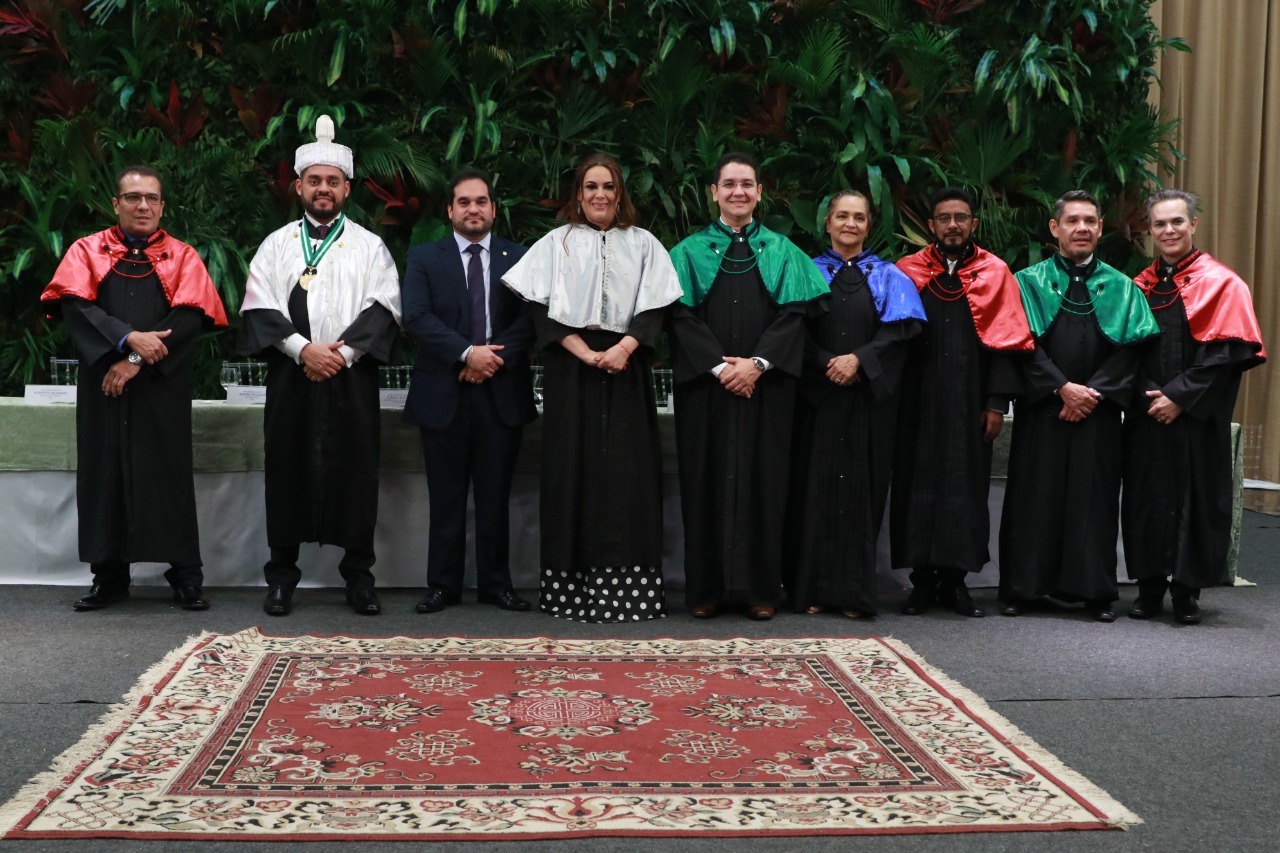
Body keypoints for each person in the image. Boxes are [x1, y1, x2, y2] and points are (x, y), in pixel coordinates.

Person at [503, 152, 683, 622]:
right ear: (577, 195)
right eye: (590, 187)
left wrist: (624, 348)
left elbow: (654, 309)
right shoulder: (554, 243)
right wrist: (583, 352)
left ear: (619, 193)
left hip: (628, 368)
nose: (599, 195)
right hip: (570, 369)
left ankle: (631, 593)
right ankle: (569, 591)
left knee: (630, 473)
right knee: (571, 470)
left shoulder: (644, 244)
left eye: (607, 187)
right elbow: (540, 311)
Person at [40, 165, 228, 611]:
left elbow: (188, 320)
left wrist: (135, 360)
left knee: (168, 475)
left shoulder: (183, 256)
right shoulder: (87, 251)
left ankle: (186, 576)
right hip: (104, 384)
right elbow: (77, 307)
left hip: (159, 388)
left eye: (151, 198)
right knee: (104, 474)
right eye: (133, 197)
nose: (143, 205)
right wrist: (126, 341)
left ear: (162, 206)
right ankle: (109, 578)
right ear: (116, 204)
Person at [240, 116, 402, 616]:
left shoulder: (370, 246)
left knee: (355, 471)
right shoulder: (277, 243)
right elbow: (258, 304)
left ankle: (358, 577)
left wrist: (341, 355)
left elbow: (385, 306)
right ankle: (282, 578)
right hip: (293, 376)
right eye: (315, 181)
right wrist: (301, 350)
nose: (323, 189)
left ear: (347, 188)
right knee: (286, 468)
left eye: (333, 181)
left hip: (351, 379)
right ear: (299, 186)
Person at [668, 151, 829, 620]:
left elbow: (794, 315)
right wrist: (720, 369)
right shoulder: (687, 252)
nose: (739, 191)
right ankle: (706, 590)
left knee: (766, 481)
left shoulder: (783, 251)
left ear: (760, 192)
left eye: (748, 184)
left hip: (767, 387)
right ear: (713, 192)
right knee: (705, 480)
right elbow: (680, 315)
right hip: (707, 389)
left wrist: (757, 364)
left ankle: (762, 590)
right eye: (729, 184)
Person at [999, 190, 1158, 621]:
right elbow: (1020, 344)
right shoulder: (1028, 282)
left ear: (1101, 228)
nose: (1082, 228)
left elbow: (1133, 352)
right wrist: (1060, 388)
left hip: (1098, 414)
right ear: (1055, 228)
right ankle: (1024, 589)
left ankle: (1093, 593)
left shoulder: (1123, 288)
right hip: (1043, 412)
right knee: (1035, 499)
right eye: (1072, 220)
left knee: (1094, 501)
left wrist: (1093, 393)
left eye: (1090, 220)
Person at [1123, 189, 1265, 624]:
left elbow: (1225, 356)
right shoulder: (1137, 286)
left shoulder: (1221, 283)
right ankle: (1147, 589)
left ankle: (1187, 592)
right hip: (1149, 414)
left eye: (1177, 222)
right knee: (1146, 498)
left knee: (1196, 500)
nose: (1169, 230)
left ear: (1193, 225)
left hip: (1196, 417)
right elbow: (1124, 352)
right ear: (1149, 229)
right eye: (1160, 223)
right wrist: (1151, 395)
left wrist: (1179, 398)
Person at [892, 187, 1033, 618]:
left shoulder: (996, 273)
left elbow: (1006, 345)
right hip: (916, 403)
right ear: (931, 225)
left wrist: (995, 403)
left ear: (974, 224)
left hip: (971, 403)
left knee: (964, 488)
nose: (953, 224)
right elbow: (892, 342)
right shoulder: (907, 271)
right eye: (943, 217)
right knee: (915, 487)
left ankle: (955, 584)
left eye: (961, 217)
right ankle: (921, 583)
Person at [401, 168, 535, 614]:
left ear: (494, 209)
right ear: (450, 210)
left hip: (501, 392)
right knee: (446, 497)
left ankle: (498, 585)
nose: (473, 209)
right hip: (444, 392)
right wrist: (466, 354)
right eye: (464, 202)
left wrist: (489, 359)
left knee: (496, 496)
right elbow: (416, 317)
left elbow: (531, 320)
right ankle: (443, 585)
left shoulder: (521, 257)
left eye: (481, 202)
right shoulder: (424, 257)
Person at [789, 190, 926, 618]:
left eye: (859, 217)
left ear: (869, 226)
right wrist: (827, 363)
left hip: (867, 403)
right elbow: (792, 332)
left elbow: (901, 334)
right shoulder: (807, 273)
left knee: (861, 494)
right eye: (842, 216)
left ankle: (853, 594)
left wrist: (859, 361)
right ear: (826, 223)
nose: (850, 224)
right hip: (817, 399)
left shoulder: (888, 276)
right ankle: (807, 589)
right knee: (810, 492)